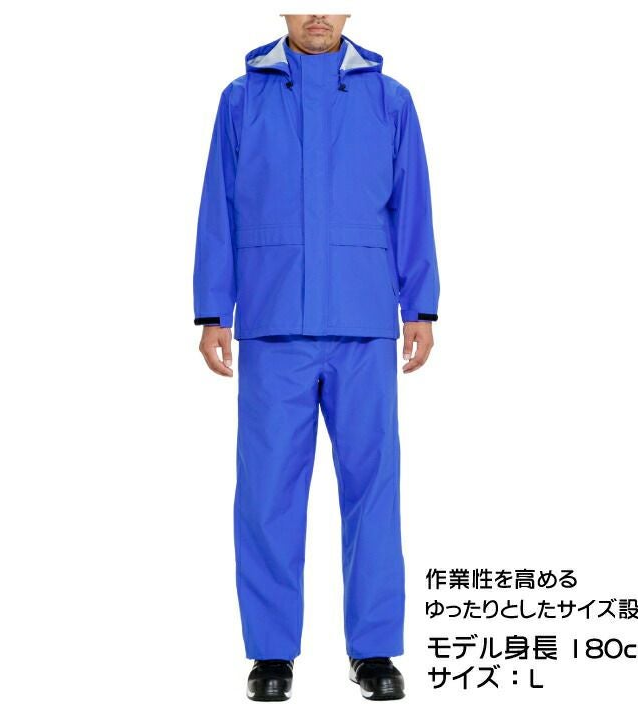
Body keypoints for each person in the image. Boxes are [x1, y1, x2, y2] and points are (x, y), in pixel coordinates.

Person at [192, 12, 439, 701]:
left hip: (364, 321)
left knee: (373, 488)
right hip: (273, 322)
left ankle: (374, 651)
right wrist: (213, 310)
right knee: (267, 493)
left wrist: (420, 305)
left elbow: (412, 204)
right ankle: (271, 654)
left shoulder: (389, 100)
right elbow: (219, 207)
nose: (319, 15)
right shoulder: (242, 99)